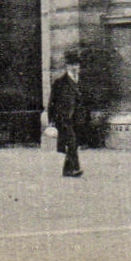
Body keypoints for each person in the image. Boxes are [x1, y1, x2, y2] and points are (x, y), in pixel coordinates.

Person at [48, 48, 87, 177]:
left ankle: (67, 170)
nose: (75, 67)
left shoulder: (81, 81)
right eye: (71, 65)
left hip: (78, 119)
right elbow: (52, 102)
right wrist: (51, 121)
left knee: (74, 144)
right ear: (67, 66)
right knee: (72, 142)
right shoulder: (60, 83)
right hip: (64, 118)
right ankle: (75, 168)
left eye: (76, 64)